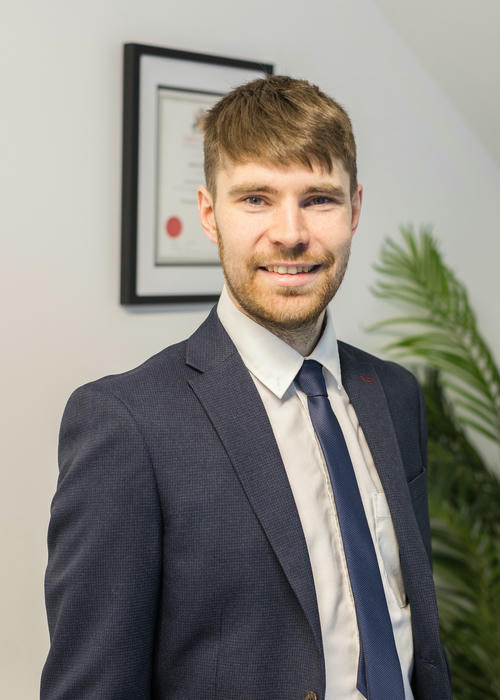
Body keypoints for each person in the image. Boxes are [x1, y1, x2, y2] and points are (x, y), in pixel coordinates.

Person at [41, 76, 451, 700]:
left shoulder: (392, 394)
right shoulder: (128, 424)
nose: (290, 233)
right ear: (210, 213)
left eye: (319, 199)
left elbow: (410, 625)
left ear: (356, 209)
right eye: (256, 199)